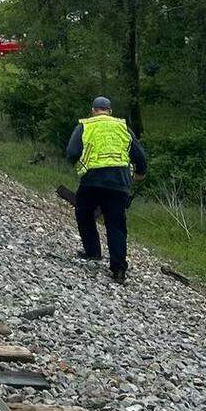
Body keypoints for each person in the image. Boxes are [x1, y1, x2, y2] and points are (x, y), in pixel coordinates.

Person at [63, 96, 146, 283]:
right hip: (119, 182)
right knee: (116, 224)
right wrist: (140, 173)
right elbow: (139, 155)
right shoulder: (122, 127)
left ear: (93, 110)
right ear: (110, 111)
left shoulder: (85, 126)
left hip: (92, 180)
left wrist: (78, 164)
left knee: (84, 213)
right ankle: (118, 268)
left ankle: (92, 251)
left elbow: (72, 152)